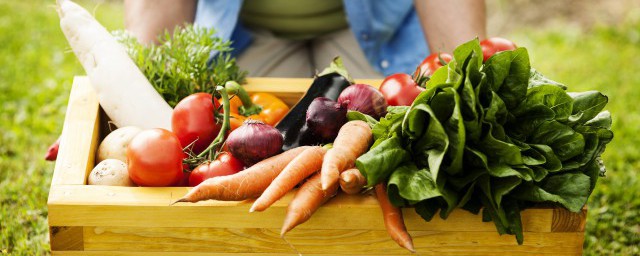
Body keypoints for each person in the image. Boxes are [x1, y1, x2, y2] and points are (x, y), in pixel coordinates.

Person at [125, 0, 486, 78]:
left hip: (376, 27)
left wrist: (470, 77)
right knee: (248, 143)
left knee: (396, 135)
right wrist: (141, 81)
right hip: (248, 29)